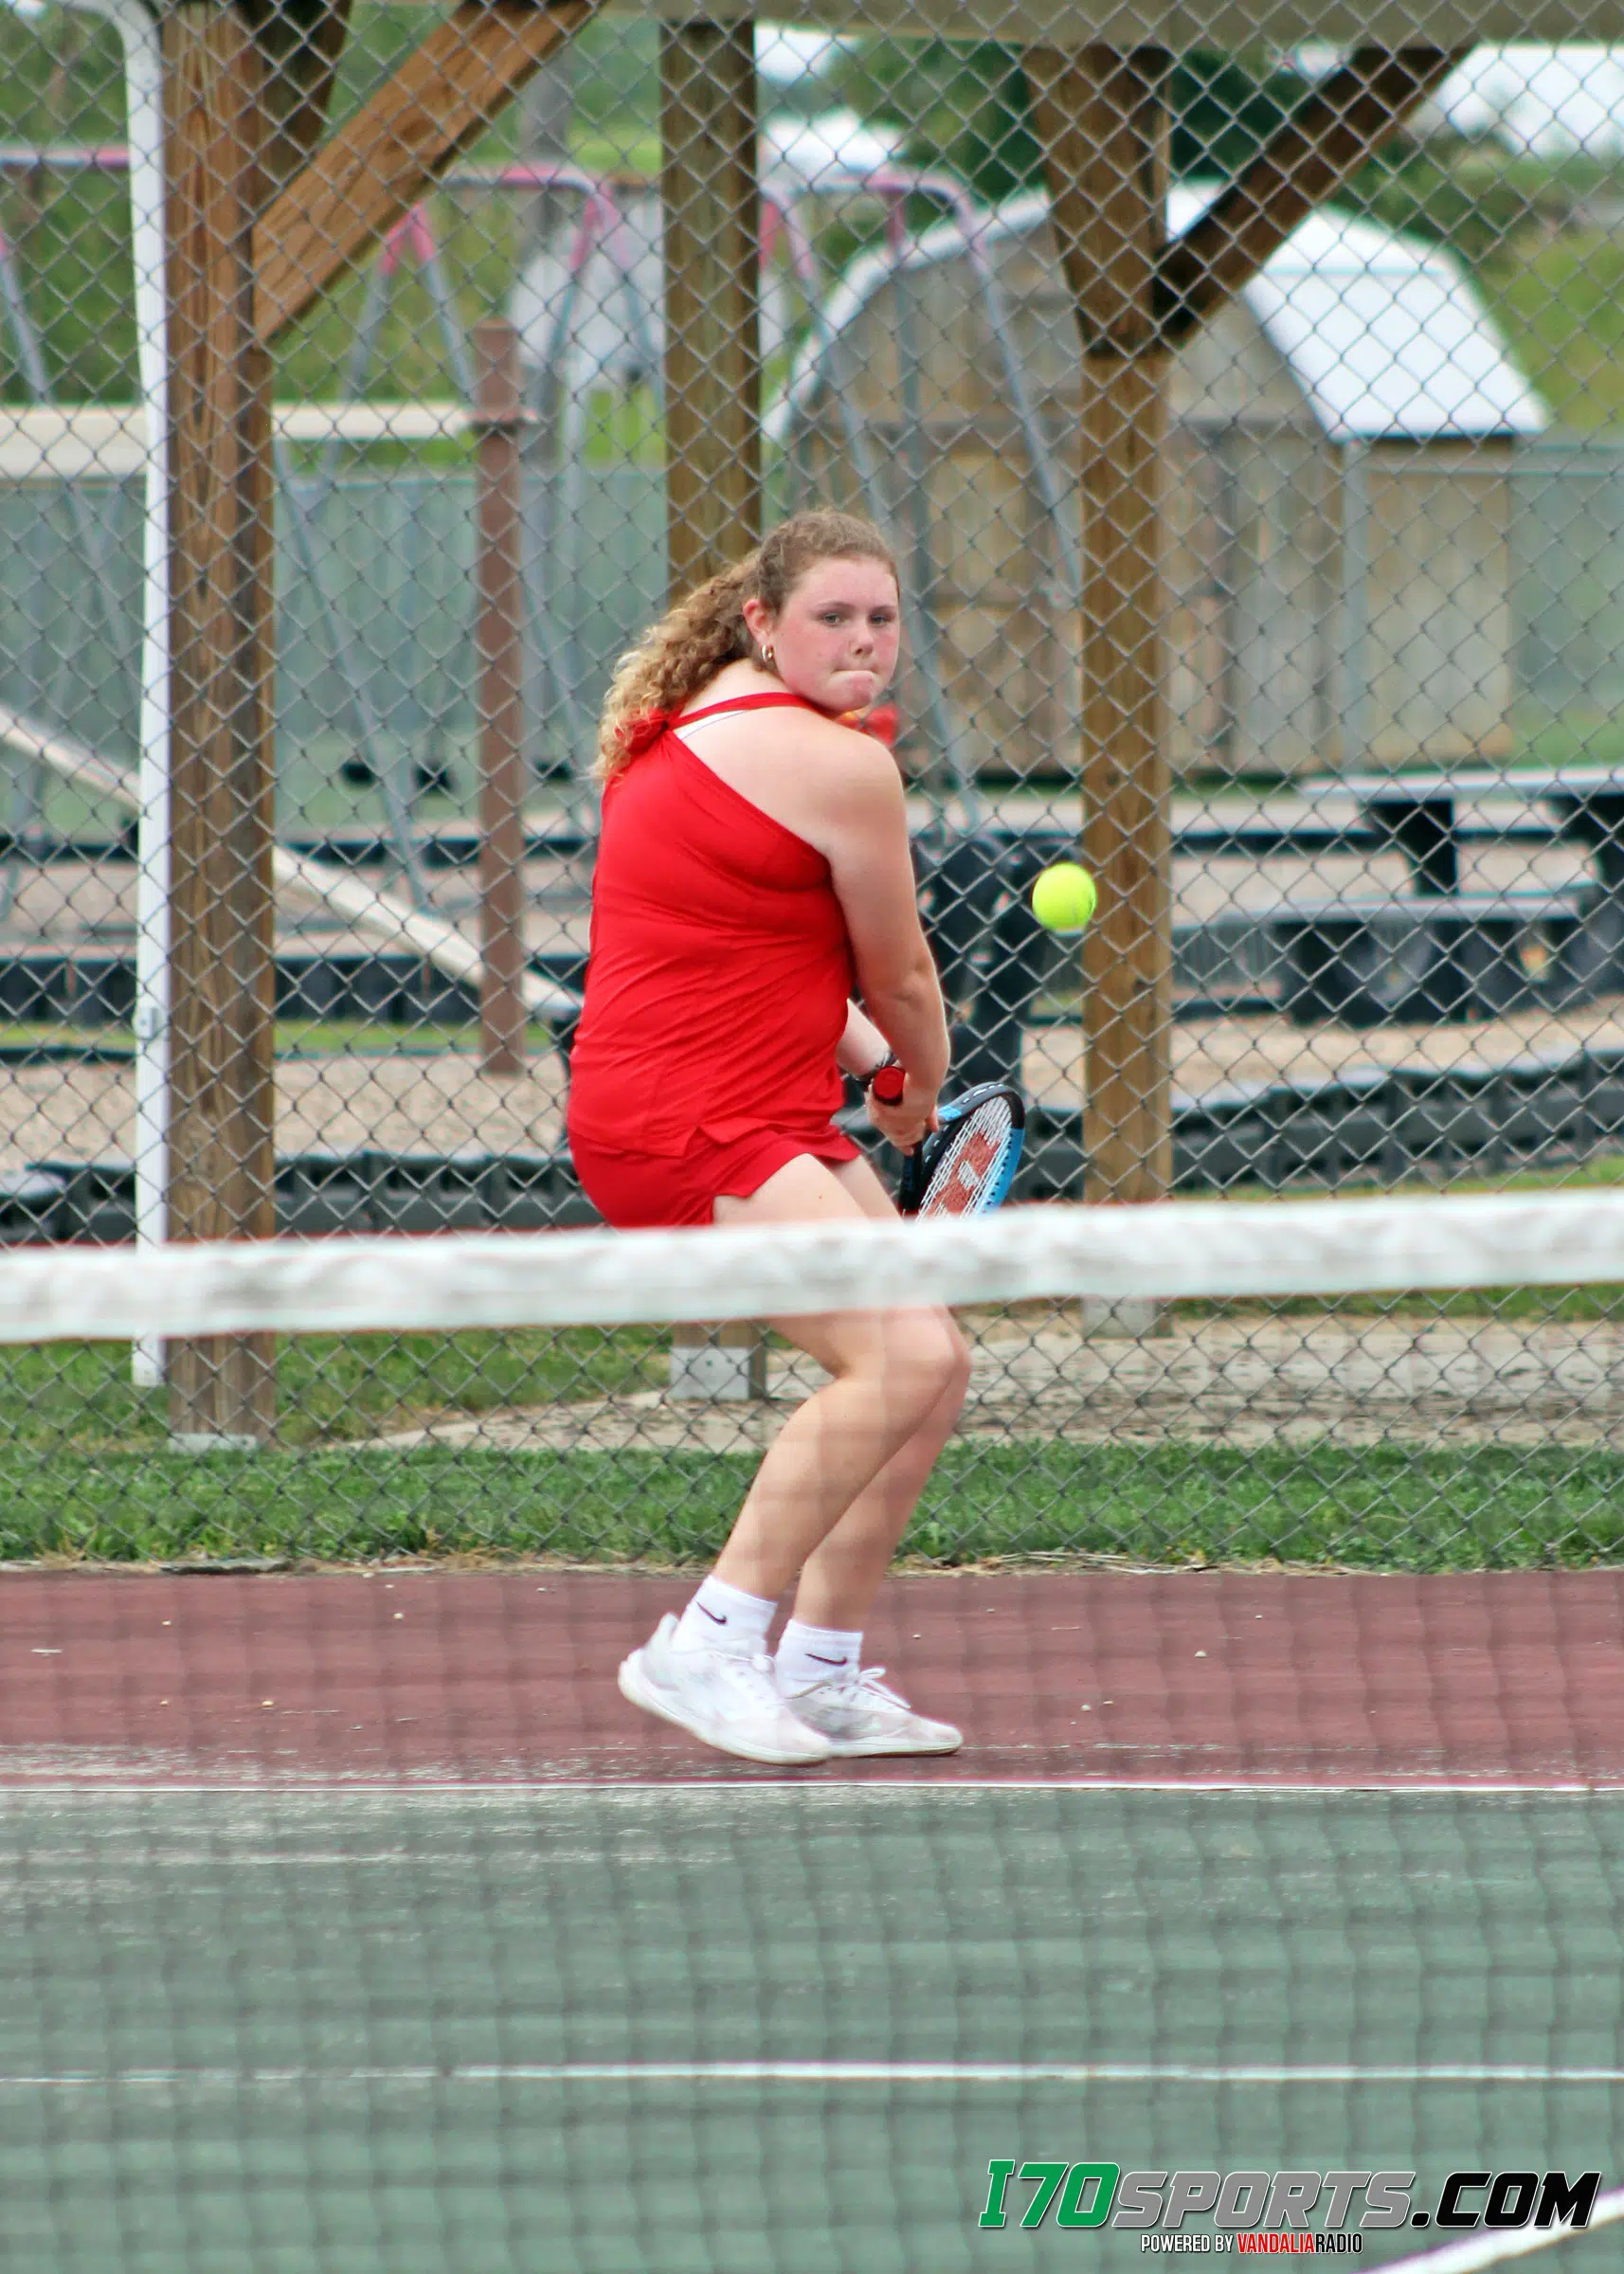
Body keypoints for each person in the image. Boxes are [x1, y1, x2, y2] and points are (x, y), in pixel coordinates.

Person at [567, 510, 971, 1766]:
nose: (861, 642)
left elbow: (756, 956)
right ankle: (709, 1642)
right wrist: (916, 1084)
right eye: (830, 619)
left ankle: (822, 1667)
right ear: (762, 623)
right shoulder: (837, 765)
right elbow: (899, 975)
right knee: (898, 1358)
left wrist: (874, 1070)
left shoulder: (701, 721)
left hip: (751, 1098)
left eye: (880, 619)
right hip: (683, 1117)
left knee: (934, 1364)